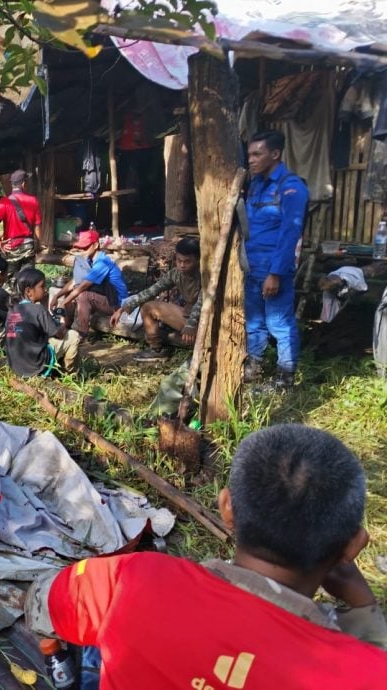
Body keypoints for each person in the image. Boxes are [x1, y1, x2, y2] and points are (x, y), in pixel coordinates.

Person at [25, 424, 387, 688]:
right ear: (353, 546)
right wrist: (363, 609)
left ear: (226, 507)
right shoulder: (364, 674)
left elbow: (42, 601)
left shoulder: (133, 578)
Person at [243, 130, 309, 389]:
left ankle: (285, 377)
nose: (250, 159)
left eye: (256, 154)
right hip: (252, 266)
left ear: (275, 154)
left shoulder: (292, 187)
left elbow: (290, 233)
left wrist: (276, 273)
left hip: (274, 268)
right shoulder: (256, 185)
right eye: (249, 154)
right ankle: (255, 367)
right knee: (254, 321)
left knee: (279, 323)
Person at [110, 237, 202, 362]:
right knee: (148, 307)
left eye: (187, 262)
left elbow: (203, 302)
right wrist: (122, 309)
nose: (182, 265)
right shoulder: (176, 273)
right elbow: (150, 292)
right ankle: (156, 349)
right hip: (188, 317)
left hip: (205, 322)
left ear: (198, 260)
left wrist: (191, 325)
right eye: (179, 260)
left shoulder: (205, 275)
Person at [49, 229, 127, 342]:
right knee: (71, 294)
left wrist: (63, 302)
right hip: (105, 297)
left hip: (117, 304)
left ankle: (82, 334)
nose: (82, 250)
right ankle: (65, 328)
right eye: (80, 247)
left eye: (85, 247)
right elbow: (76, 281)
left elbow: (83, 286)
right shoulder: (89, 260)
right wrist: (58, 295)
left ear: (95, 245)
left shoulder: (102, 262)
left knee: (83, 295)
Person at [5, 267, 80, 377]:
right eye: (42, 286)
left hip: (16, 366)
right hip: (35, 366)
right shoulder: (38, 309)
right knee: (73, 336)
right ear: (29, 291)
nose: (45, 289)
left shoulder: (12, 310)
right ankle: (70, 374)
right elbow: (59, 334)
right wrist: (63, 321)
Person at [0, 169, 41, 294]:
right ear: (23, 184)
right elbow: (37, 227)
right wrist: (38, 245)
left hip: (11, 247)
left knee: (11, 280)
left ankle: (11, 304)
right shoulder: (33, 201)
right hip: (28, 245)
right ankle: (25, 302)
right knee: (28, 278)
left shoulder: (4, 202)